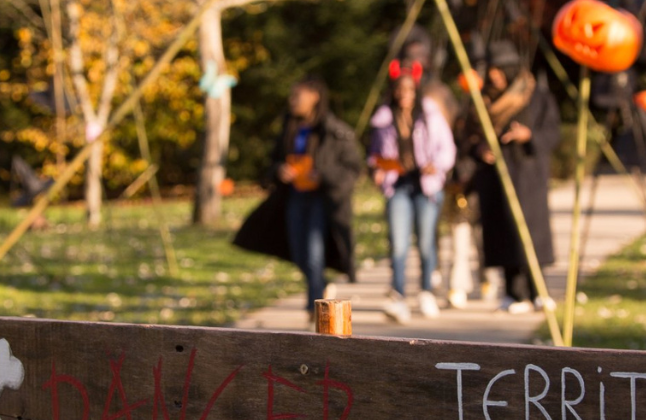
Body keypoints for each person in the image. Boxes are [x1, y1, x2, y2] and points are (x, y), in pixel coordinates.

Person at [233, 77, 364, 317]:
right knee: (298, 253)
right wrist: (279, 170)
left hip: (321, 200)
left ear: (314, 96)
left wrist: (322, 175)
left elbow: (353, 168)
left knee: (314, 253)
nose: (292, 101)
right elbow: (272, 163)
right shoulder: (289, 129)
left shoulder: (334, 131)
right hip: (293, 198)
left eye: (297, 96)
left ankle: (313, 306)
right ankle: (321, 285)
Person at [460, 41, 560, 314]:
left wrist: (528, 136)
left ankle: (538, 291)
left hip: (527, 174)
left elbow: (552, 132)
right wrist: (479, 149)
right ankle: (514, 293)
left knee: (529, 233)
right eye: (491, 70)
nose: (494, 75)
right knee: (503, 232)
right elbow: (467, 135)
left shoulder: (535, 95)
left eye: (499, 70)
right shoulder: (483, 99)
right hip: (494, 176)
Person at [368, 64, 457, 322]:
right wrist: (377, 168)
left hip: (426, 185)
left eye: (409, 89)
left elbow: (447, 149)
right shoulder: (384, 119)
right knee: (398, 243)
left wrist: (436, 166)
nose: (404, 94)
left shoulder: (430, 115)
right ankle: (397, 296)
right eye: (400, 90)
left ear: (415, 91)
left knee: (427, 242)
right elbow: (373, 154)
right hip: (398, 184)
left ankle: (426, 290)